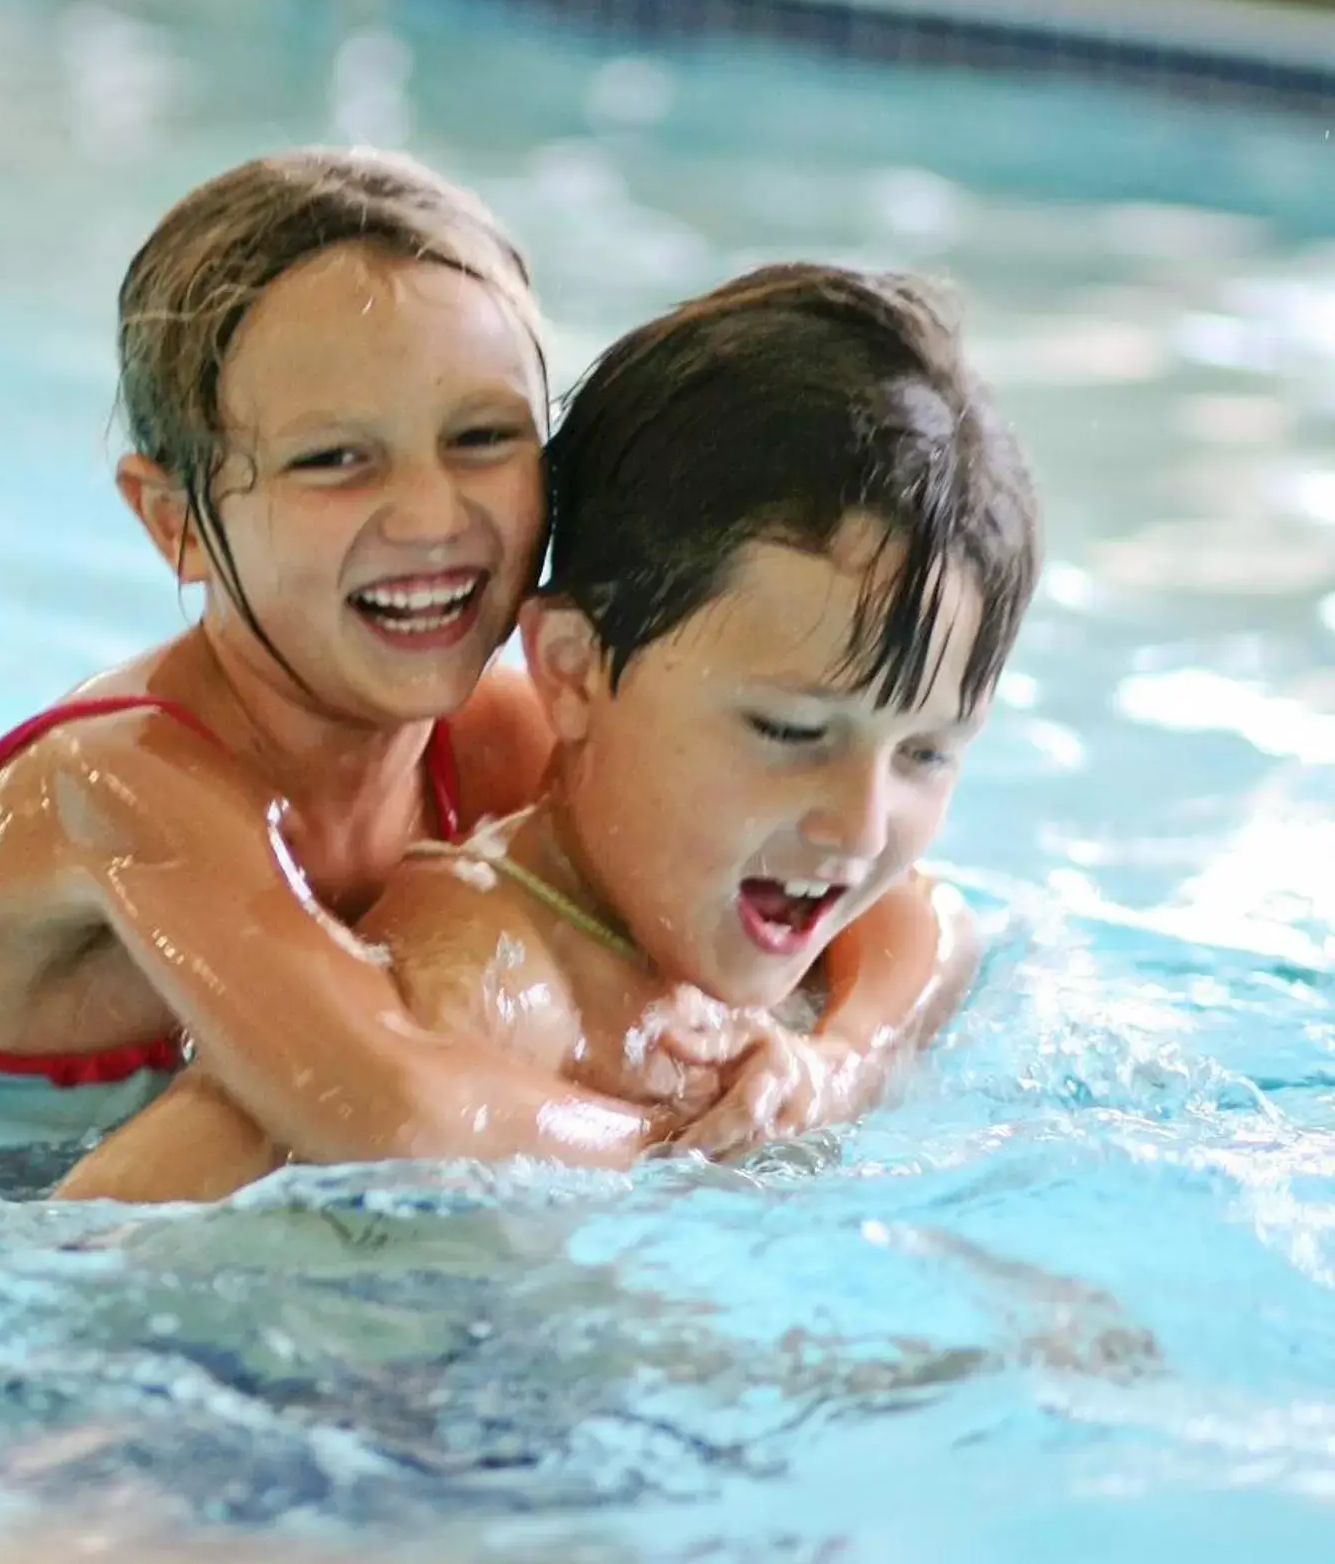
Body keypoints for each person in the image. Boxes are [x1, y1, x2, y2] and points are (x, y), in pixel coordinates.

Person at [0, 151, 955, 1169]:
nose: (432, 513)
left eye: (484, 438)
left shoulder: (498, 733)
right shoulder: (119, 785)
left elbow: (902, 910)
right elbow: (391, 1110)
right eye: (338, 458)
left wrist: (829, 1066)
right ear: (174, 521)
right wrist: (696, 1135)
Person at [56, 264, 1031, 1201]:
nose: (860, 829)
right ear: (571, 671)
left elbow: (930, 922)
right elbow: (106, 1216)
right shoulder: (481, 979)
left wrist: (836, 1067)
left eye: (925, 752)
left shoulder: (741, 880)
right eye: (790, 729)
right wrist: (672, 1152)